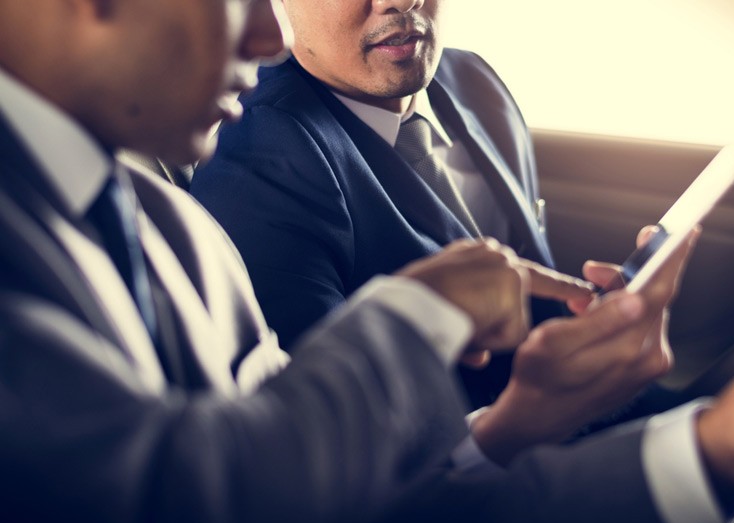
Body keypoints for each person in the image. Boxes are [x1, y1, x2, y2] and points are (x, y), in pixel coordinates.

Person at [3, 0, 734, 523]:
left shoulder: (174, 224)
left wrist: (710, 444)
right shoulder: (245, 173)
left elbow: (358, 502)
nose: (267, 37)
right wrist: (422, 312)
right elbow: (202, 495)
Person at [187, 0, 632, 408]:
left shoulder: (473, 80)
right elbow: (321, 431)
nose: (397, 0)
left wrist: (604, 322)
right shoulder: (259, 155)